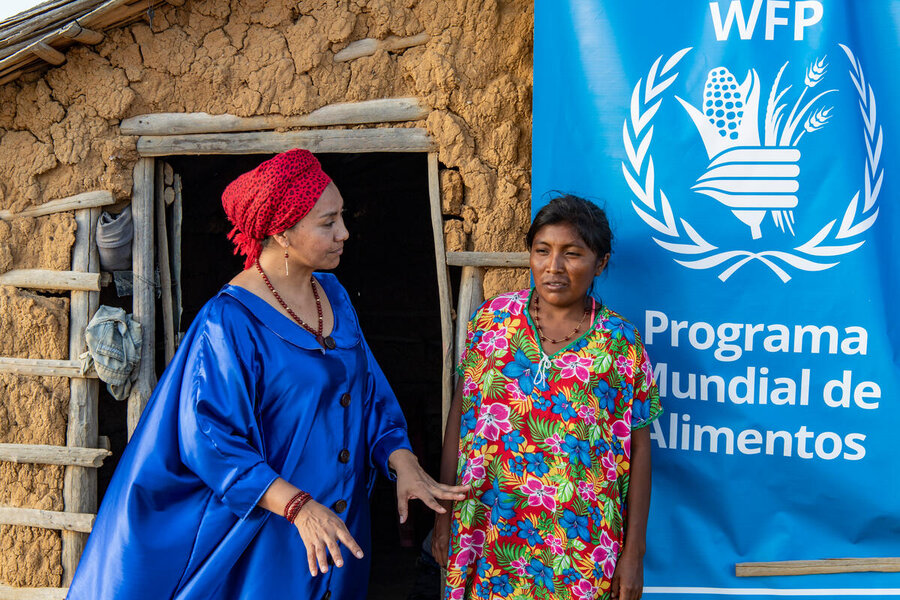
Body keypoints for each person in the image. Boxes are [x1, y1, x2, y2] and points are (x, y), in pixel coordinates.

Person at [68, 149, 467, 599]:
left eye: (342, 217)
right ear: (281, 232)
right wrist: (298, 508)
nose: (344, 233)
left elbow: (366, 392)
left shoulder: (332, 296)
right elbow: (210, 439)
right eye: (328, 222)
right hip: (270, 536)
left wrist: (403, 461)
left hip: (339, 531)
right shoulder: (229, 321)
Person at [432, 194, 661, 600]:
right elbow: (459, 416)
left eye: (572, 254)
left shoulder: (621, 343)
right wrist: (444, 515)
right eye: (542, 250)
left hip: (579, 548)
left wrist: (634, 552)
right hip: (488, 532)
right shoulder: (490, 322)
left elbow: (639, 450)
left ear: (600, 263)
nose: (553, 267)